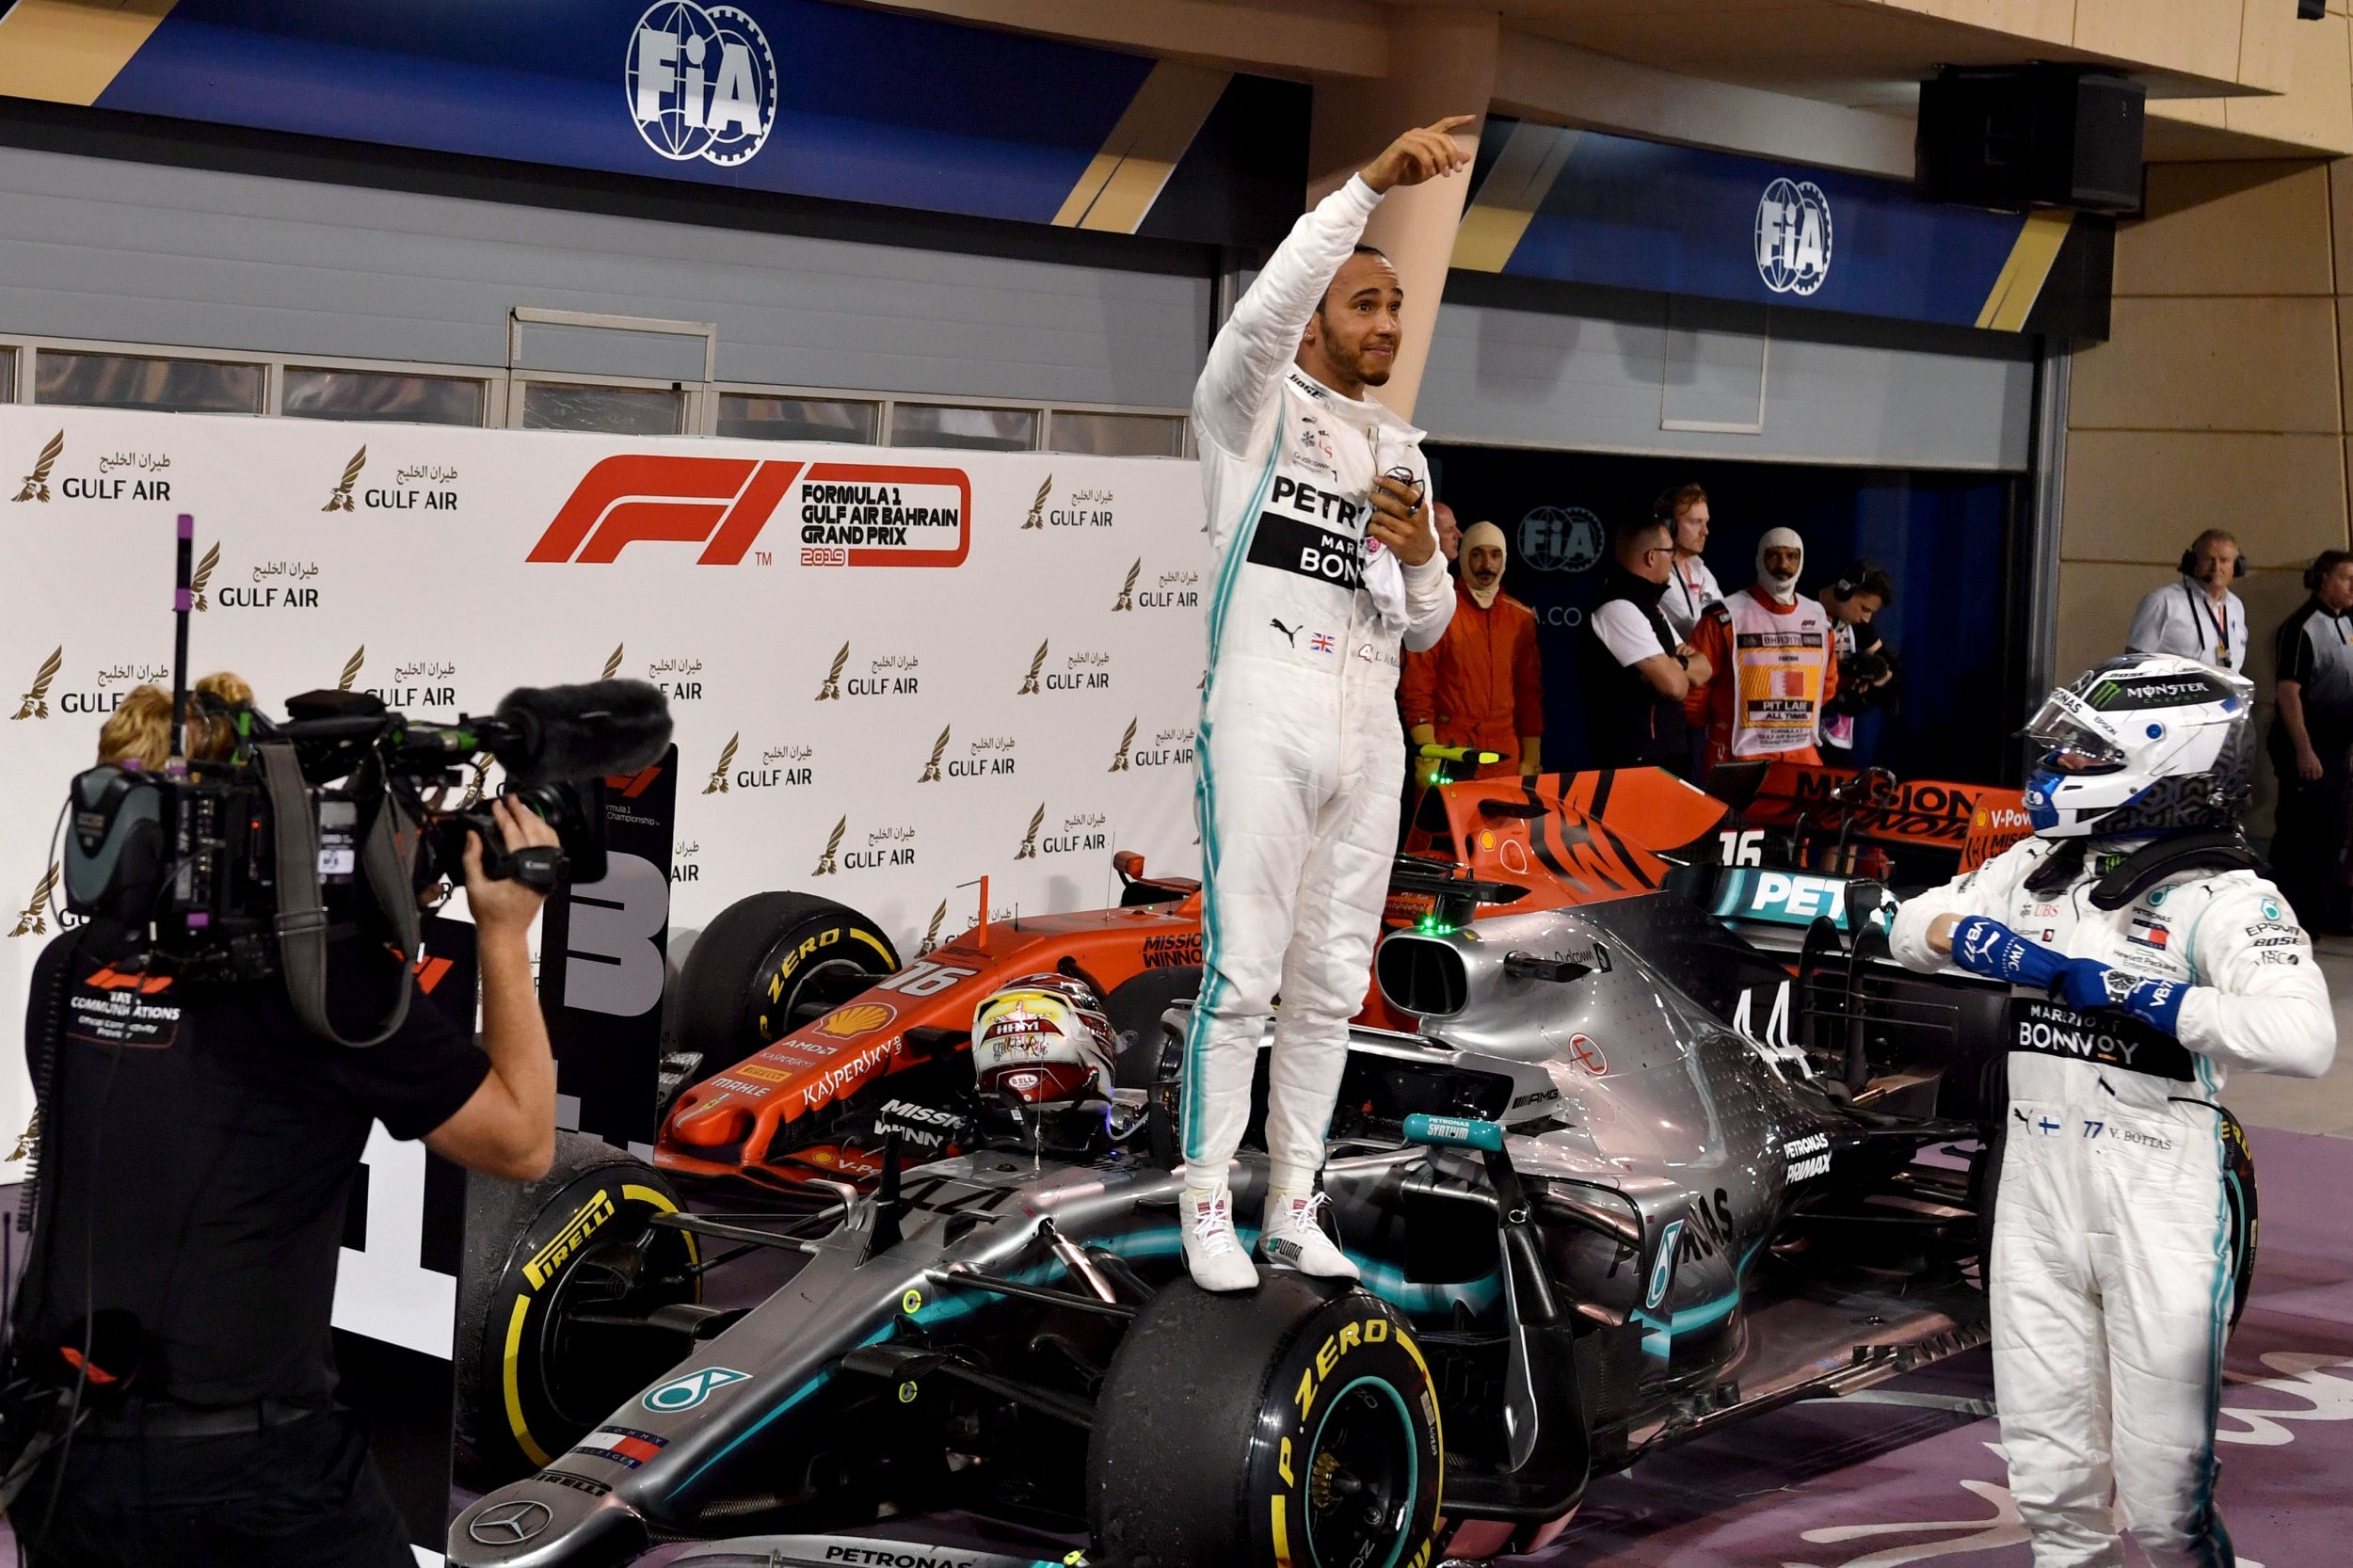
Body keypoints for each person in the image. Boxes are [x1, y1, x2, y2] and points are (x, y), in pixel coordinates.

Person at [14, 680, 564, 1568]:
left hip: (68, 1452)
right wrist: (503, 931)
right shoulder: (325, 985)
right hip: (257, 1474)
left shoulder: (67, 967)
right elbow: (523, 1142)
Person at [1890, 652, 2332, 1568]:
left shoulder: (2225, 893)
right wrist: (1967, 935)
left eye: (2086, 754)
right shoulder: (2032, 865)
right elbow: (1901, 926)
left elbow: (2304, 1037)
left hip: (2163, 1185)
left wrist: (2146, 996)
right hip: (2034, 1180)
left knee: (2165, 1493)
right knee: (2051, 1487)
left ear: (2167, 759)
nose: (2058, 772)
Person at [1181, 116, 1470, 1291]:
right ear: (1318, 322)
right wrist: (1365, 187)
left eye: (1394, 311)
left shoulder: (1403, 448)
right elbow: (1262, 310)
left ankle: (1293, 1203)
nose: (1386, 327)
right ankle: (1208, 1200)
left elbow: (1431, 624)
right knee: (1241, 974)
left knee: (1328, 986)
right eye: (1365, 307)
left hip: (1370, 731)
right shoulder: (1248, 409)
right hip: (1265, 711)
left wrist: (1417, 558)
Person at [1682, 525, 1839, 776]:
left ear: (1801, 560)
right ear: (1759, 558)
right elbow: (1694, 692)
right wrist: (1720, 727)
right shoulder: (1726, 617)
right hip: (1737, 757)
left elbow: (1827, 686)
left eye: (1791, 556)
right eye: (1774, 555)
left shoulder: (1820, 619)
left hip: (1801, 758)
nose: (1783, 565)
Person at [1401, 520, 1544, 783]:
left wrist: (1531, 756)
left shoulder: (1520, 617)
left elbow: (1529, 693)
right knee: (1446, 825)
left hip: (1505, 752)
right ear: (1465, 556)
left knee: (1504, 826)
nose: (1487, 565)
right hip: (1450, 747)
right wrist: (1426, 752)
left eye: (1495, 554)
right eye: (1477, 554)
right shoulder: (1441, 609)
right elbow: (1417, 686)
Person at [1579, 515, 1711, 772]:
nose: (1673, 559)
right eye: (1669, 551)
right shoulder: (1618, 609)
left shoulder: (1650, 608)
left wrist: (1677, 663)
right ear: (1651, 556)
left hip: (1665, 760)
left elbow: (1705, 666)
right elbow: (1674, 687)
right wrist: (1680, 668)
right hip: (1633, 766)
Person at [2269, 549, 2353, 931]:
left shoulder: (2348, 622)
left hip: (2337, 745)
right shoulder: (2300, 627)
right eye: (2346, 578)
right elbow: (2288, 692)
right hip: (2307, 743)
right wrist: (2304, 750)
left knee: (2332, 832)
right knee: (2300, 833)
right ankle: (2290, 916)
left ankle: (2318, 914)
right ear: (2324, 580)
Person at [2126, 529, 2249, 673]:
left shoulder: (2236, 606)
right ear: (2193, 563)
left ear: (2236, 566)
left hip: (2225, 692)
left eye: (2224, 560)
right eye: (2209, 559)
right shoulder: (2163, 601)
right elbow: (2134, 663)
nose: (2216, 567)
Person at [1817, 560, 1898, 761]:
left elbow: (1888, 666)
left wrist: (1869, 686)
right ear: (1844, 589)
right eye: (1864, 608)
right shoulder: (1800, 608)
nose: (1866, 618)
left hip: (1828, 737)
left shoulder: (1854, 621)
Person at [1655, 482, 1722, 644]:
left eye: (1705, 522)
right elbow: (1691, 631)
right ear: (1669, 525)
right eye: (1695, 522)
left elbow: (1725, 623)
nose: (1705, 531)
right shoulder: (1658, 574)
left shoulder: (1703, 573)